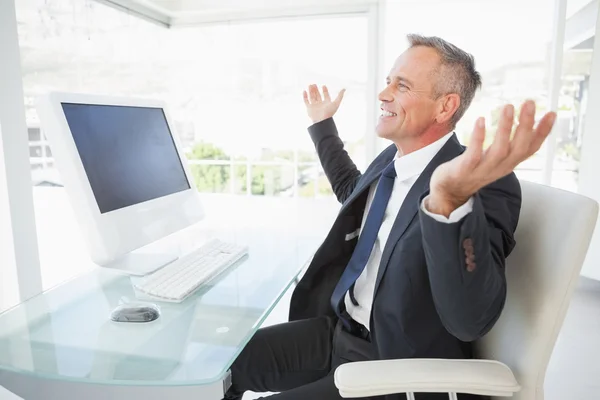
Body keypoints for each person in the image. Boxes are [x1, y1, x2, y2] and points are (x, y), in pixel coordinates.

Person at [224, 34, 556, 400]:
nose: (383, 95)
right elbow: (353, 191)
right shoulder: (392, 161)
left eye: (402, 86)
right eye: (387, 82)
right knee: (222, 369)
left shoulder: (480, 183)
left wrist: (447, 204)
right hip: (342, 335)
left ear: (445, 107)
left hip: (400, 365)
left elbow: (470, 319)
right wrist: (323, 127)